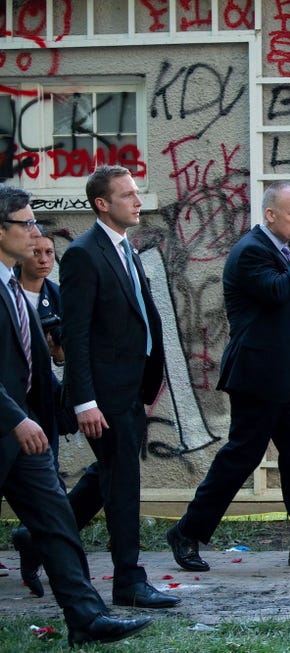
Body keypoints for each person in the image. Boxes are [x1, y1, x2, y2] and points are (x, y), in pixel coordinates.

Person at [166, 181, 290, 572]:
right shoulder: (251, 251)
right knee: (242, 456)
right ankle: (187, 531)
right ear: (271, 215)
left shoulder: (281, 249)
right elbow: (277, 291)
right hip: (258, 375)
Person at [0, 184, 151, 645]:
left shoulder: (15, 284)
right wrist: (15, 418)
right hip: (10, 424)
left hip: (27, 431)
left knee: (56, 522)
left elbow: (32, 363)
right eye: (25, 223)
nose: (34, 231)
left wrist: (45, 415)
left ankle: (85, 618)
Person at [60, 165, 178, 609]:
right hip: (104, 396)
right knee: (123, 483)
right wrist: (85, 400)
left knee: (107, 476)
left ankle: (36, 537)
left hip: (131, 389)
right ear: (102, 204)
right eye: (127, 194)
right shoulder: (84, 254)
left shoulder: (126, 248)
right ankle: (128, 581)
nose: (137, 200)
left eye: (136, 192)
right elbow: (77, 334)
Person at [12, 231, 104, 598]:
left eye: (50, 252)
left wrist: (60, 353)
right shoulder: (10, 291)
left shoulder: (56, 296)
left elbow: (68, 355)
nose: (44, 257)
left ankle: (40, 548)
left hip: (43, 403)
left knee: (58, 484)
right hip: (10, 405)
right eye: (36, 251)